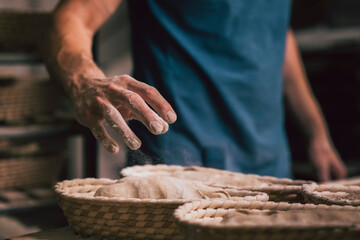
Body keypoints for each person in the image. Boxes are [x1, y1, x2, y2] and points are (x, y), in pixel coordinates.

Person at [43, 0, 347, 182]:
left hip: (271, 162)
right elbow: (71, 18)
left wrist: (317, 133)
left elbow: (276, 36)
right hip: (184, 167)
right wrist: (84, 81)